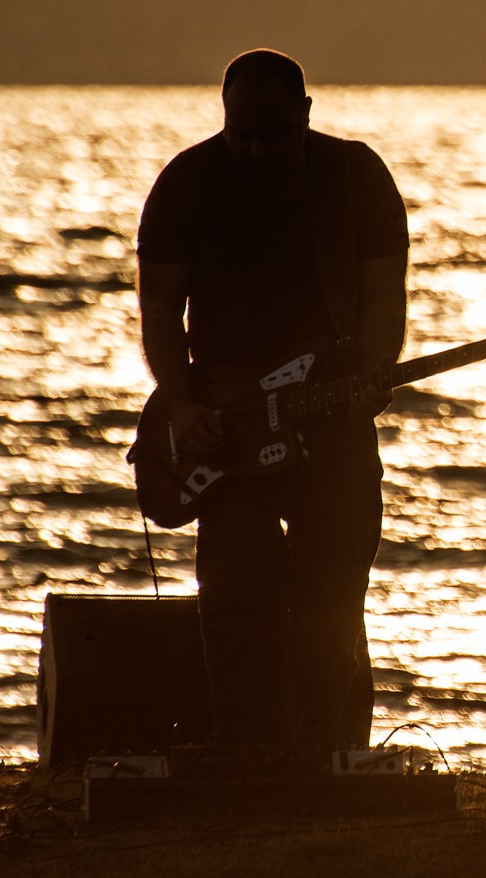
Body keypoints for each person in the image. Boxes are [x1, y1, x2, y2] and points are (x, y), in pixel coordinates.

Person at [137, 49, 408, 766]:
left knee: (333, 599)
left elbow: (384, 297)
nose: (256, 152)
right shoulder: (187, 185)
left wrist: (375, 368)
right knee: (235, 599)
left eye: (273, 136)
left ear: (306, 117)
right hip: (227, 422)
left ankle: (330, 761)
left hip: (334, 419)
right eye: (241, 136)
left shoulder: (355, 180)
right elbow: (161, 311)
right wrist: (182, 401)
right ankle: (247, 761)